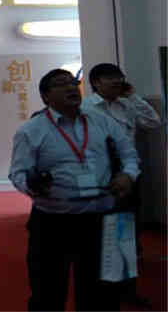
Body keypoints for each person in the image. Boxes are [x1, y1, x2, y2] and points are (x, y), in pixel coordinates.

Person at [9, 68, 140, 311]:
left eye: (73, 82)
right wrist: (33, 185)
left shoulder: (101, 121)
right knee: (48, 292)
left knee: (102, 295)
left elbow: (129, 154)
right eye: (61, 84)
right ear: (46, 96)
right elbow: (17, 173)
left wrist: (127, 175)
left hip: (102, 219)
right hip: (53, 222)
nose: (71, 87)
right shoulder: (31, 130)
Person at [82, 62, 161, 307]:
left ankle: (126, 290)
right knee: (99, 234)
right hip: (99, 178)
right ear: (96, 83)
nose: (117, 81)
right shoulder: (86, 108)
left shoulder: (127, 105)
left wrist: (133, 96)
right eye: (110, 78)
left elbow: (153, 122)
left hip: (128, 173)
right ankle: (102, 290)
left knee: (126, 232)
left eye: (119, 77)